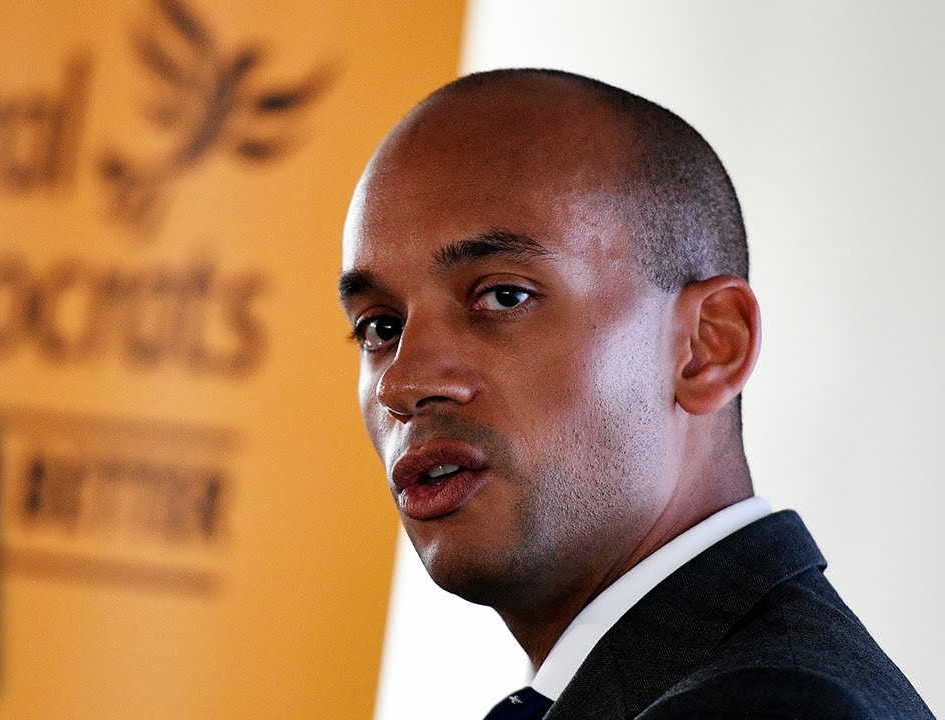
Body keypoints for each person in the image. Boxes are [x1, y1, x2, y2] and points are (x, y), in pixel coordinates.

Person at [337, 69, 933, 719]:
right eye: (380, 328)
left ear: (708, 347)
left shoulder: (773, 708)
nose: (404, 383)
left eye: (504, 296)